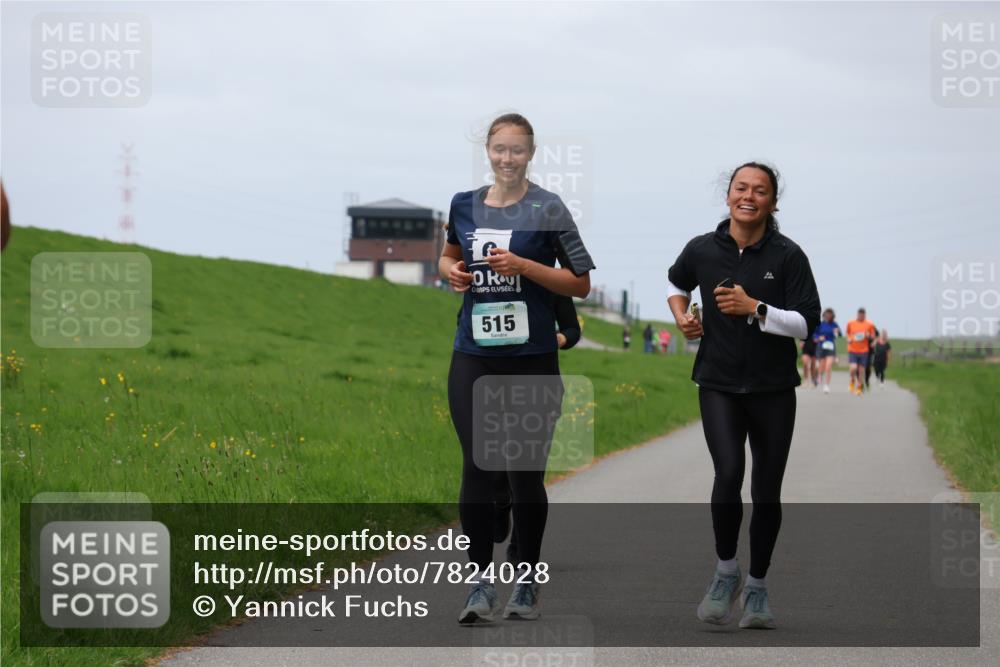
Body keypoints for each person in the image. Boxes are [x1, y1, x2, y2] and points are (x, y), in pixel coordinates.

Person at [440, 113, 595, 624]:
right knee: (477, 465)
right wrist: (454, 273)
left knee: (525, 477)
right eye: (499, 149)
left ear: (531, 154)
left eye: (518, 151)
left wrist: (524, 266)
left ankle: (525, 579)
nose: (507, 159)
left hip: (531, 359)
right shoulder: (463, 204)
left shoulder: (548, 208)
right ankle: (479, 583)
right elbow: (446, 256)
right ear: (487, 150)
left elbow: (580, 284)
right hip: (474, 353)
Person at [667, 161, 820, 630]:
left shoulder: (788, 255)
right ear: (728, 194)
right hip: (717, 384)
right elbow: (676, 284)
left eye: (760, 190)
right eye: (741, 188)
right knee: (728, 473)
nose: (748, 196)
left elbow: (806, 324)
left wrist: (756, 309)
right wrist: (682, 316)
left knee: (766, 490)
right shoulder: (701, 249)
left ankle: (757, 588)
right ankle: (725, 572)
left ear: (773, 202)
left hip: (773, 389)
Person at [494, 294, 581, 563]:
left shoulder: (551, 283)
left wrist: (560, 339)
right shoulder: (490, 284)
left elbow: (572, 329)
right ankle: (500, 499)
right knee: (498, 462)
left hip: (542, 386)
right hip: (494, 385)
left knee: (529, 473)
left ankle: (519, 546)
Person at [845, 308, 877, 396]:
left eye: (863, 315)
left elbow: (873, 337)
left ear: (865, 315)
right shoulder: (851, 323)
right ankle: (852, 380)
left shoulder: (869, 324)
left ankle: (859, 387)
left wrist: (869, 336)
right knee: (853, 368)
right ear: (857, 315)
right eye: (859, 315)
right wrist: (848, 338)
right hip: (853, 349)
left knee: (861, 370)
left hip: (864, 350)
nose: (861, 316)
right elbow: (847, 333)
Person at [812, 308, 841, 394]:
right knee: (821, 366)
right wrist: (819, 338)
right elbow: (814, 335)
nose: (828, 316)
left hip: (831, 347)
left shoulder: (834, 324)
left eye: (830, 315)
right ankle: (820, 375)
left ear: (832, 316)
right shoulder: (820, 324)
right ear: (824, 315)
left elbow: (839, 335)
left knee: (828, 367)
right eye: (827, 315)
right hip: (821, 347)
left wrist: (837, 331)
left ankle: (826, 386)